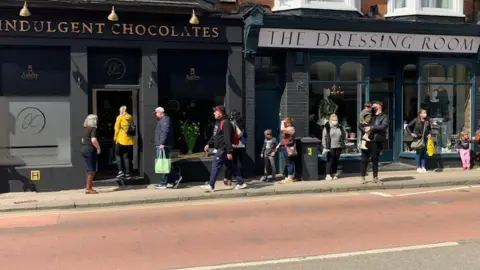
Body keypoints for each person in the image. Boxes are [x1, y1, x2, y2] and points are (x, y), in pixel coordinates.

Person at [202, 105, 247, 192]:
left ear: (220, 113)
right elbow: (215, 135)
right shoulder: (218, 122)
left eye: (216, 111)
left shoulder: (226, 123)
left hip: (223, 149)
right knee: (231, 166)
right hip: (221, 149)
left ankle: (211, 185)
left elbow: (227, 138)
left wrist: (229, 151)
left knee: (215, 165)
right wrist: (208, 143)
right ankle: (241, 183)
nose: (214, 113)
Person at [360, 101, 388, 184]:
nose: (373, 105)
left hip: (376, 140)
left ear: (379, 105)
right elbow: (360, 124)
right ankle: (362, 177)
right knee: (364, 159)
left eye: (374, 103)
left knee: (375, 160)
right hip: (366, 139)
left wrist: (371, 128)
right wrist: (364, 129)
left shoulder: (384, 116)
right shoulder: (369, 114)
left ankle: (375, 177)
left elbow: (383, 127)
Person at [223, 110, 246, 186]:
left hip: (233, 144)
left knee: (231, 162)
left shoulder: (231, 123)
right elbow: (245, 134)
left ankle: (228, 179)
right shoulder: (242, 123)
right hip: (241, 145)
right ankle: (239, 177)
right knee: (239, 162)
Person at [406, 109, 432, 173]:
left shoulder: (427, 120)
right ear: (420, 114)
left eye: (426, 112)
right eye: (424, 113)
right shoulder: (416, 120)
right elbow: (407, 127)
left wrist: (429, 134)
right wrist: (411, 133)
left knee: (424, 152)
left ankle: (423, 167)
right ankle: (418, 167)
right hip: (418, 138)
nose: (425, 114)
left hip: (425, 138)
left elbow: (430, 129)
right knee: (419, 152)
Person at [81, 114, 101, 194]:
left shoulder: (85, 129)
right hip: (90, 149)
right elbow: (93, 140)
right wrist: (98, 148)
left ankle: (88, 187)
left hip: (84, 149)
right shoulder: (93, 128)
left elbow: (82, 140)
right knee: (92, 169)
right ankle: (88, 188)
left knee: (89, 169)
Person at [154, 106, 173, 189]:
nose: (155, 114)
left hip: (163, 145)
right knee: (164, 163)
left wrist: (162, 143)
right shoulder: (162, 120)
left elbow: (165, 131)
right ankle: (167, 181)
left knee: (163, 164)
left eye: (156, 113)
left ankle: (163, 183)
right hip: (162, 145)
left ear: (161, 112)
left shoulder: (165, 119)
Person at [322, 114, 346, 180]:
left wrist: (343, 143)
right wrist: (325, 146)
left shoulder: (340, 127)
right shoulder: (327, 127)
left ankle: (334, 173)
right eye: (333, 120)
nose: (335, 121)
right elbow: (324, 137)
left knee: (336, 161)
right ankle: (327, 175)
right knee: (330, 160)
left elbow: (344, 135)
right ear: (330, 120)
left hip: (338, 147)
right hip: (330, 147)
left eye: (336, 120)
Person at [114, 105, 135, 180]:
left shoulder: (119, 117)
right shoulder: (130, 117)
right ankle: (128, 174)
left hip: (121, 139)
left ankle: (120, 172)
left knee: (117, 154)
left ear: (121, 110)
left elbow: (116, 128)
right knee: (126, 157)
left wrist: (115, 138)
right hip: (129, 140)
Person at [277, 117, 296, 184]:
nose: (284, 124)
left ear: (289, 123)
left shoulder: (291, 128)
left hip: (288, 147)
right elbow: (284, 139)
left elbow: (282, 129)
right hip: (285, 147)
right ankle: (288, 177)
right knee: (288, 162)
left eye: (286, 122)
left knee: (289, 163)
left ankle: (290, 177)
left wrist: (282, 122)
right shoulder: (288, 128)